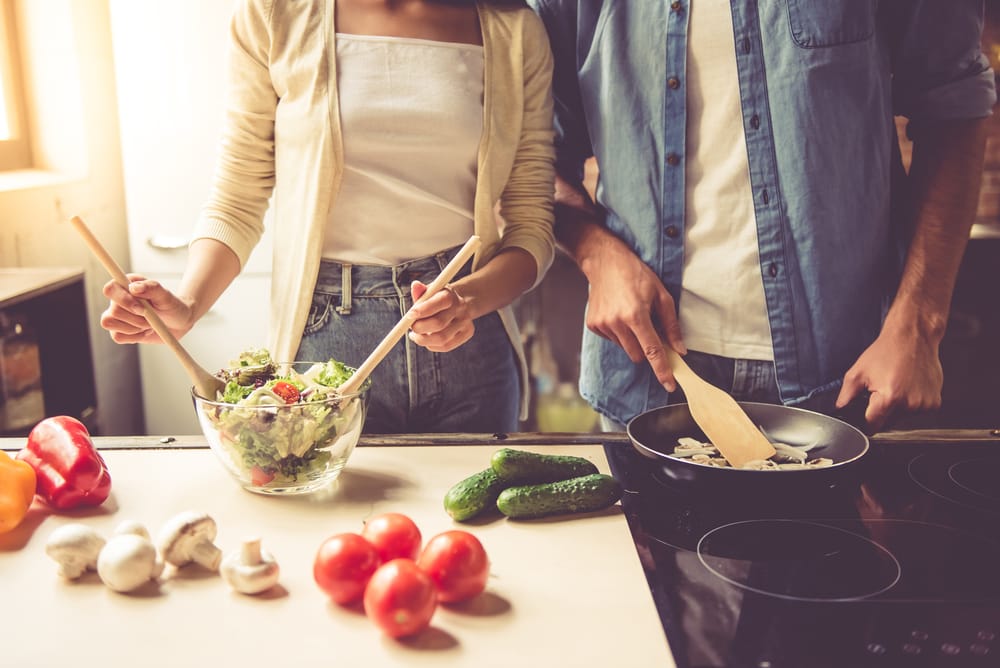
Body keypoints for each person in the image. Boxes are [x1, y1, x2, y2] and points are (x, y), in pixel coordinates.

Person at [526, 0, 995, 432]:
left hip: (852, 376)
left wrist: (918, 325)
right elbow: (531, 153)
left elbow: (953, 105)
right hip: (647, 379)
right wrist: (595, 252)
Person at [100, 0, 556, 434]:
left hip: (469, 341)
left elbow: (531, 223)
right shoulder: (275, 14)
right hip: (324, 341)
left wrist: (468, 300)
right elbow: (237, 199)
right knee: (335, 516)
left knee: (475, 517)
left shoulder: (514, 31)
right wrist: (188, 304)